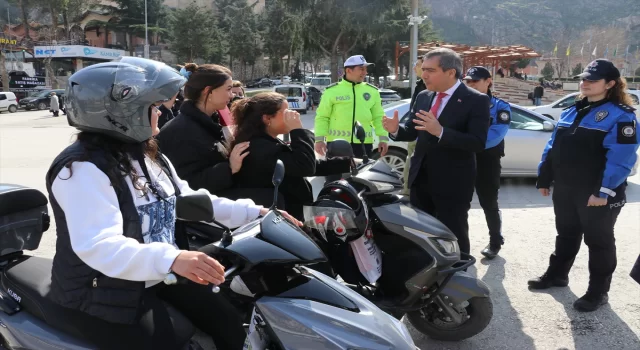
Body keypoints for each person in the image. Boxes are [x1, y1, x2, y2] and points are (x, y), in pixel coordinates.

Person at [44, 57, 299, 349]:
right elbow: (99, 245)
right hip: (104, 290)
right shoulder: (81, 169)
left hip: (159, 273)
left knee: (230, 325)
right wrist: (174, 259)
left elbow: (186, 199)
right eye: (152, 107)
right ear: (120, 113)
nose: (162, 112)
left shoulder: (147, 155)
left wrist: (256, 213)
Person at [530, 59, 639, 312]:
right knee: (566, 234)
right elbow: (553, 147)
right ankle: (557, 275)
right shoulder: (573, 110)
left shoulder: (621, 117)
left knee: (598, 241)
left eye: (592, 80)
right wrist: (544, 176)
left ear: (610, 84)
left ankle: (598, 292)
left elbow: (621, 159)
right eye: (583, 79)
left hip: (596, 192)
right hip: (567, 187)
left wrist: (603, 191)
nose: (584, 83)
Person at [382, 48, 491, 256]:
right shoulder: (424, 96)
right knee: (420, 233)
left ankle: (458, 277)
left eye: (430, 70)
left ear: (451, 72)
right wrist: (395, 130)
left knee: (453, 233)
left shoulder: (476, 100)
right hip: (420, 179)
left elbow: (477, 143)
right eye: (423, 70)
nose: (424, 75)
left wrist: (440, 131)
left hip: (453, 182)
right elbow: (413, 132)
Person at [232, 92, 352, 221]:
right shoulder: (259, 147)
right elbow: (304, 166)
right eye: (286, 112)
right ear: (267, 119)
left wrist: (348, 163)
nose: (294, 115)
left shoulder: (266, 141)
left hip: (293, 212)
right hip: (284, 218)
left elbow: (299, 163)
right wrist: (298, 131)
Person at [156, 63, 250, 198]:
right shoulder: (181, 131)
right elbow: (186, 185)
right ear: (208, 91)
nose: (231, 96)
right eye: (228, 89)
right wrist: (229, 167)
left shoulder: (207, 122)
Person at [463, 66, 511, 259]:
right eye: (468, 81)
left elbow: (496, 134)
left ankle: (495, 241)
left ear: (488, 81)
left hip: (487, 160)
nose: (471, 84)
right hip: (463, 158)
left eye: (475, 80)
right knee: (460, 204)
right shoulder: (461, 104)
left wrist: (466, 143)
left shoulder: (500, 106)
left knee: (489, 202)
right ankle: (459, 244)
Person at [314, 55, 389, 159]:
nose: (365, 72)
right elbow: (322, 117)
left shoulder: (372, 91)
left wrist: (383, 139)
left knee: (362, 175)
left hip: (363, 145)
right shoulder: (331, 91)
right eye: (361, 69)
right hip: (337, 144)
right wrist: (319, 140)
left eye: (366, 69)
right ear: (349, 70)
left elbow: (379, 117)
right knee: (337, 175)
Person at [401, 57, 428, 196]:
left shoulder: (427, 86)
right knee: (411, 160)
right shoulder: (420, 85)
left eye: (417, 65)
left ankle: (408, 190)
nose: (414, 68)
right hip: (415, 131)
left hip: (422, 133)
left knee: (412, 161)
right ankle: (408, 190)